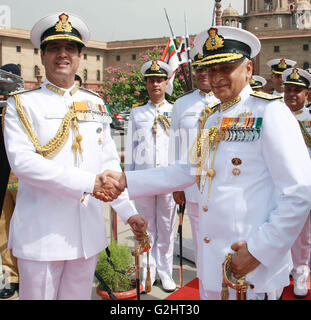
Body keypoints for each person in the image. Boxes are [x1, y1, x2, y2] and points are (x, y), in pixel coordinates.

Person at [98, 26, 311, 300]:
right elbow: (190, 169)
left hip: (251, 264)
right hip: (213, 263)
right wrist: (128, 180)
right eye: (211, 70)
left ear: (248, 68)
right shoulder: (213, 117)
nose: (217, 77)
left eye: (226, 68)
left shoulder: (270, 112)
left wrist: (260, 250)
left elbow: (300, 192)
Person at [3, 12, 147, 300]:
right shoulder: (22, 104)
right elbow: (24, 163)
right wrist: (88, 183)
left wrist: (128, 212)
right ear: (42, 56)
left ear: (80, 56)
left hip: (86, 234)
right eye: (55, 49)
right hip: (42, 235)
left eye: (70, 49)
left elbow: (108, 165)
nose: (62, 55)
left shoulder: (95, 104)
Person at [124, 60, 177, 293]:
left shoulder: (176, 111)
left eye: (159, 80)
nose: (156, 84)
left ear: (166, 83)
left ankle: (165, 270)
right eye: (151, 80)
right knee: (146, 227)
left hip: (168, 178)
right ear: (146, 84)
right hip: (144, 178)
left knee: (167, 226)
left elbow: (180, 146)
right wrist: (129, 180)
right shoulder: (137, 112)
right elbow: (131, 146)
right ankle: (147, 270)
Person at [169, 49, 219, 266]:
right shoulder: (182, 104)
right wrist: (176, 185)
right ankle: (204, 278)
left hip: (224, 180)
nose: (202, 74)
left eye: (207, 68)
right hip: (193, 183)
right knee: (199, 233)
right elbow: (175, 146)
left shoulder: (227, 100)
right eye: (198, 69)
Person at [282, 67, 311, 298]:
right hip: (277, 187)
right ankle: (281, 272)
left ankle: (300, 273)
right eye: (288, 89)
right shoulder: (275, 117)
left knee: (302, 235)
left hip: (304, 187)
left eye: (297, 90)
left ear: (307, 95)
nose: (291, 94)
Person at [0, 63, 23, 299]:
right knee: (3, 229)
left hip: (18, 173)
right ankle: (11, 277)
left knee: (23, 225)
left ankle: (27, 273)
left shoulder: (21, 105)